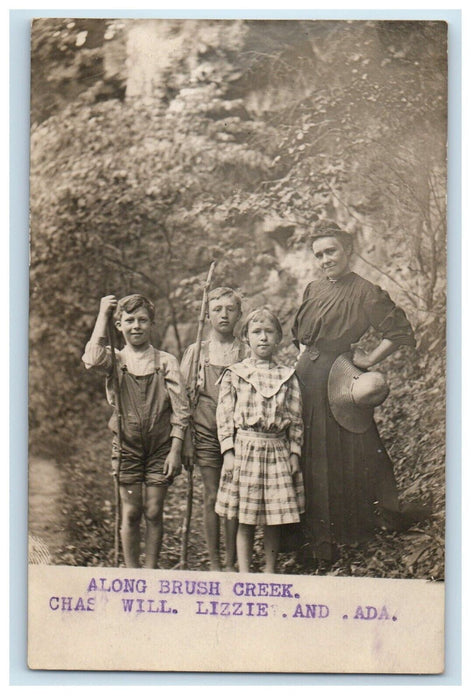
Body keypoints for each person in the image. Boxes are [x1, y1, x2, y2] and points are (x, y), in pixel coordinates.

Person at [292, 219, 424, 567]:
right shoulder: (313, 288)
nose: (325, 259)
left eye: (331, 251)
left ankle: (342, 533)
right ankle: (310, 533)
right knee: (308, 450)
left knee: (346, 448)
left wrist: (367, 358)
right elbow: (299, 336)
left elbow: (398, 332)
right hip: (305, 373)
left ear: (347, 250)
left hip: (339, 375)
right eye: (318, 253)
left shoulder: (366, 291)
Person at [82, 294, 190, 568]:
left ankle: (150, 571)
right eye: (129, 320)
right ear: (119, 325)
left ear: (152, 324)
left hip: (160, 448)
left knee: (153, 511)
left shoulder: (166, 361)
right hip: (126, 447)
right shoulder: (115, 360)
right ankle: (132, 574)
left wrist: (176, 450)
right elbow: (91, 360)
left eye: (143, 320)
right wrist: (102, 314)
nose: (136, 326)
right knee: (131, 512)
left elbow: (181, 411)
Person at [215, 307, 304, 574]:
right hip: (245, 449)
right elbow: (224, 414)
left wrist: (294, 453)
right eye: (256, 332)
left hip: (276, 449)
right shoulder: (235, 373)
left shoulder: (288, 376)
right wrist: (228, 451)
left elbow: (296, 418)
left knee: (273, 518)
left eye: (269, 332)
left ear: (278, 338)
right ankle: (243, 571)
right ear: (246, 338)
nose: (263, 338)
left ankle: (269, 570)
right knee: (246, 517)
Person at [181, 287, 245, 571]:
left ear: (239, 315)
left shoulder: (245, 349)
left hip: (239, 432)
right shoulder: (197, 351)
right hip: (205, 430)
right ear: (207, 315)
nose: (224, 315)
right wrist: (184, 440)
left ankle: (232, 561)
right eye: (217, 309)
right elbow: (181, 398)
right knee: (212, 495)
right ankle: (215, 562)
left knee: (233, 495)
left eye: (230, 309)